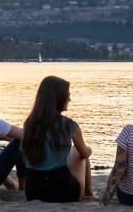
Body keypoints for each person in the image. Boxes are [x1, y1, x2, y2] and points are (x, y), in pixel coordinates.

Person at [21, 75, 93, 203]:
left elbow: (24, 158)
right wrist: (89, 150)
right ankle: (89, 192)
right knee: (79, 151)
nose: (69, 99)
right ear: (58, 98)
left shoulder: (29, 124)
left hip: (33, 192)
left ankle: (88, 192)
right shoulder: (70, 125)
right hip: (63, 191)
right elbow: (84, 153)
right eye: (67, 95)